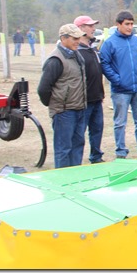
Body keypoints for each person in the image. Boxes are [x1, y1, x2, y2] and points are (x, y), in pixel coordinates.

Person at [100, 10, 137, 159]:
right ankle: (121, 151)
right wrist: (117, 79)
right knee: (120, 123)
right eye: (127, 24)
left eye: (131, 24)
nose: (130, 27)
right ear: (118, 24)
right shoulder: (109, 43)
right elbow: (105, 63)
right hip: (120, 91)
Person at [37, 24, 87, 168]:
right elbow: (43, 89)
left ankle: (74, 177)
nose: (78, 41)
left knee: (78, 146)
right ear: (63, 38)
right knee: (63, 149)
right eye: (74, 38)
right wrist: (57, 105)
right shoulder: (55, 60)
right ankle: (62, 181)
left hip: (79, 109)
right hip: (64, 112)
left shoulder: (77, 55)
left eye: (79, 38)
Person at [74, 15, 105, 163]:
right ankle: (76, 162)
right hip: (83, 101)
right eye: (90, 26)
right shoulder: (76, 51)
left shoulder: (93, 48)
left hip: (97, 98)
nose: (93, 29)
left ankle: (96, 157)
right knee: (79, 134)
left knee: (97, 130)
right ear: (80, 28)